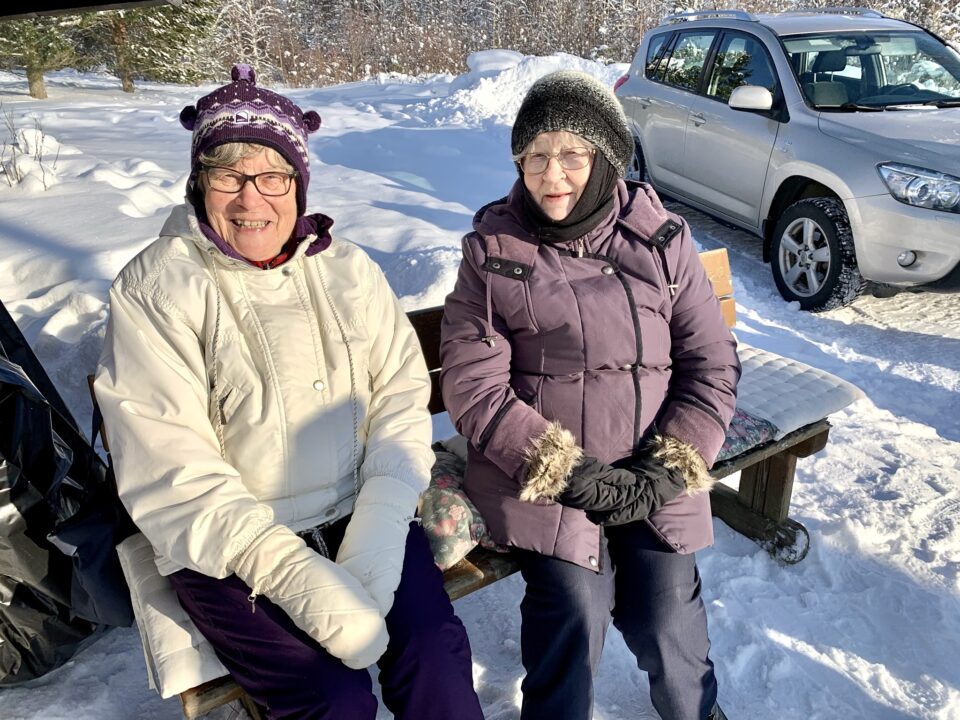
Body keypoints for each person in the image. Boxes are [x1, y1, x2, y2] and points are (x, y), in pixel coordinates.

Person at [95, 64, 483, 720]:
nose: (251, 200)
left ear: (298, 185)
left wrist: (383, 516)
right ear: (199, 184)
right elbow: (172, 470)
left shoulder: (347, 270)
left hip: (361, 507)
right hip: (228, 545)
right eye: (228, 175)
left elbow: (398, 397)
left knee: (434, 656)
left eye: (272, 176)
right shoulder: (157, 289)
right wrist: (288, 572)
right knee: (330, 698)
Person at [439, 70, 741, 720]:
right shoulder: (494, 253)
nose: (552, 175)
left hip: (651, 472)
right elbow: (473, 384)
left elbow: (710, 360)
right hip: (551, 480)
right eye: (535, 156)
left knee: (666, 613)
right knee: (574, 611)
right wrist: (566, 472)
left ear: (606, 158)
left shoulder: (661, 239)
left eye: (572, 154)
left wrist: (671, 465)